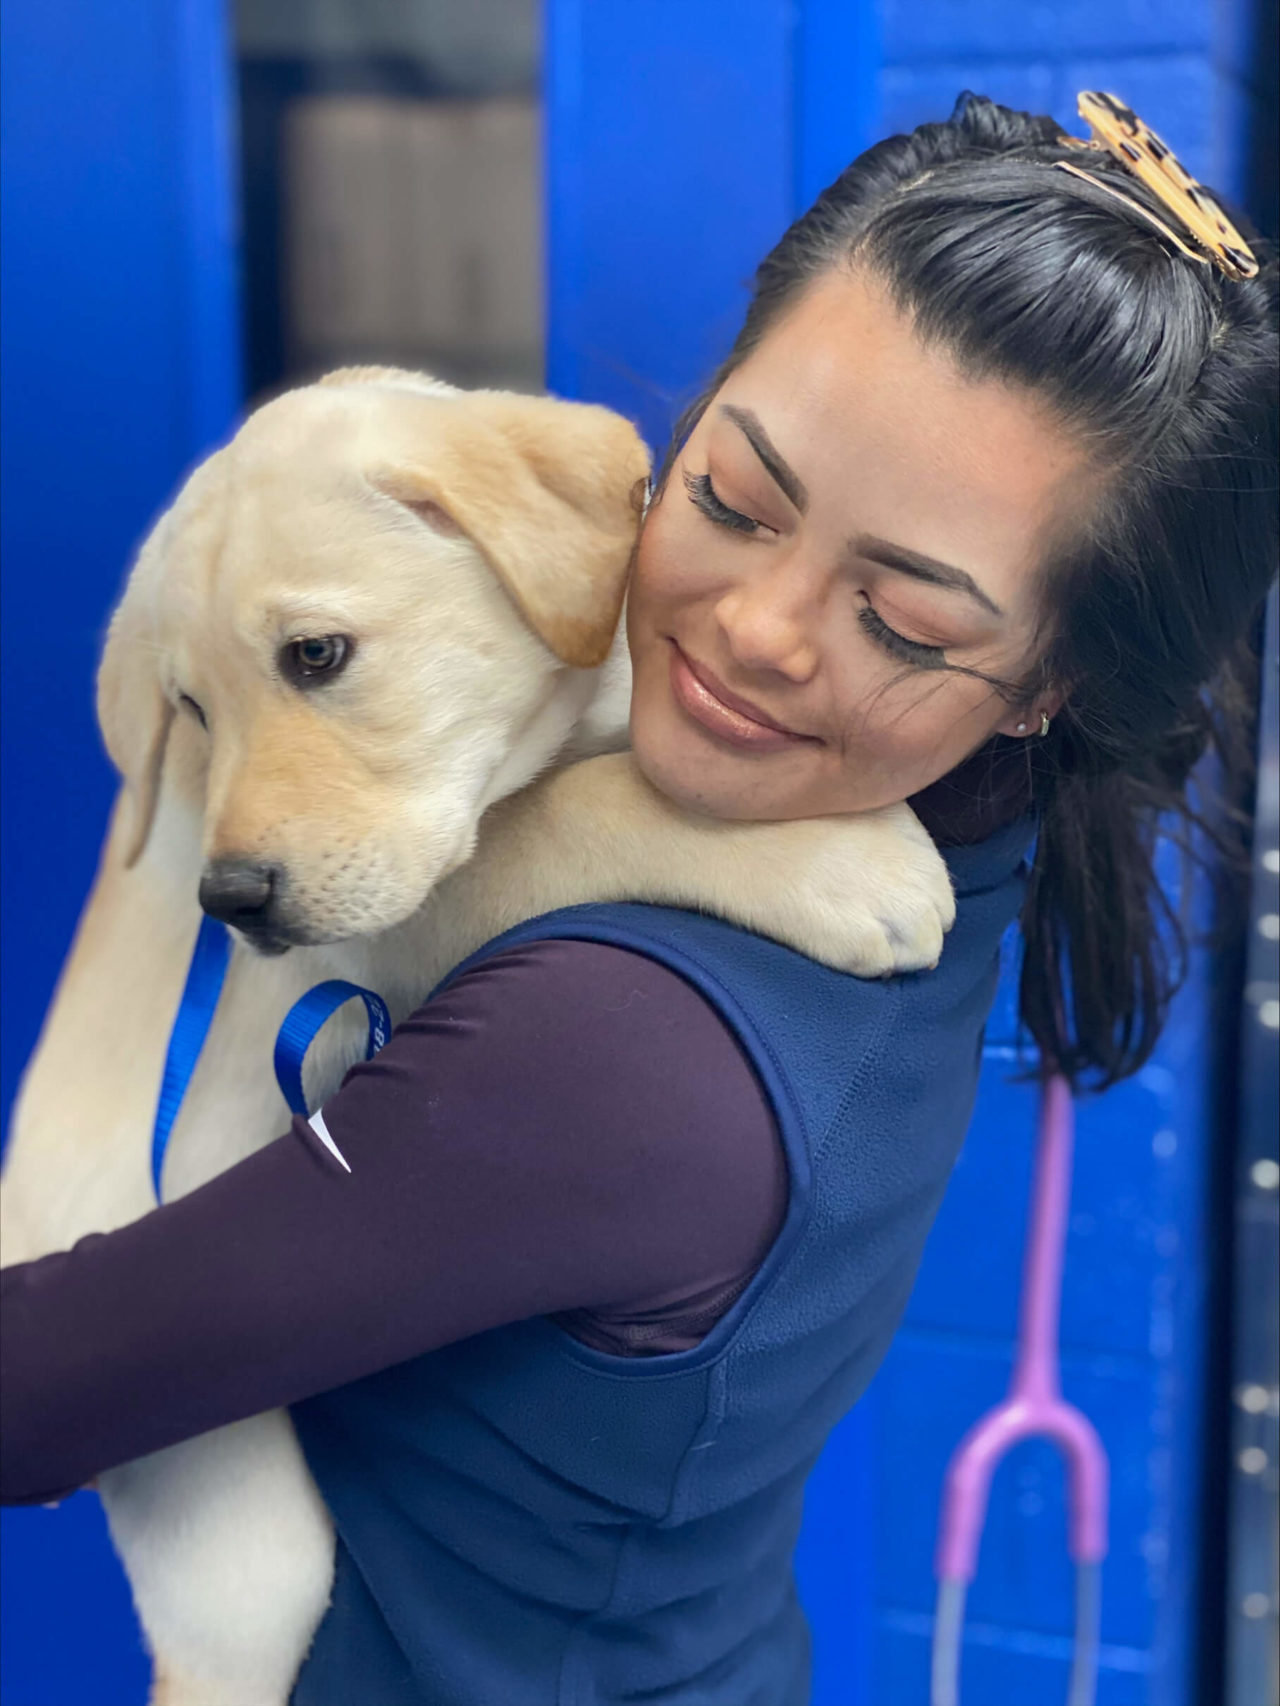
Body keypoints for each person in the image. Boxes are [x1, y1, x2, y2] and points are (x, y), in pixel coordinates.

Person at [2, 91, 1276, 1705]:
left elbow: (38, 1383)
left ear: (1049, 681)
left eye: (898, 619)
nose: (756, 626)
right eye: (734, 497)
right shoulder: (947, 838)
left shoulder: (617, 1050)